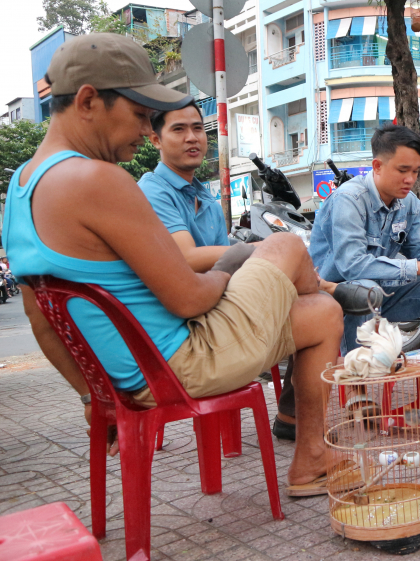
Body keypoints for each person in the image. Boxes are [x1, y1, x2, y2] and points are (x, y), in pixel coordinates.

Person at [3, 33, 345, 495]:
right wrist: (231, 263)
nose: (145, 131)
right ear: (88, 101)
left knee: (322, 313)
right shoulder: (99, 179)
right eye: (141, 115)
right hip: (180, 362)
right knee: (285, 249)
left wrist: (92, 395)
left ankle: (313, 456)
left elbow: (40, 320)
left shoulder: (21, 190)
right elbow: (188, 298)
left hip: (122, 377)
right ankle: (328, 301)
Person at [138, 101, 373, 442]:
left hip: (212, 302)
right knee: (288, 247)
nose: (192, 138)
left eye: (196, 129)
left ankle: (295, 423)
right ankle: (326, 286)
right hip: (186, 326)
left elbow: (223, 265)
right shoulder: (154, 189)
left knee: (323, 312)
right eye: (178, 129)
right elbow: (186, 257)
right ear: (155, 141)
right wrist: (254, 249)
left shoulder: (202, 195)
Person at [310, 124, 420, 355]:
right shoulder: (349, 199)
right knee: (366, 289)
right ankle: (360, 383)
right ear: (377, 166)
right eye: (403, 170)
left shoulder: (409, 203)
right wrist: (418, 267)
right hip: (331, 295)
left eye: (415, 171)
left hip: (379, 293)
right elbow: (353, 265)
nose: (410, 179)